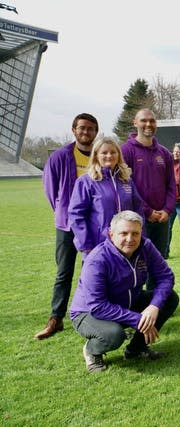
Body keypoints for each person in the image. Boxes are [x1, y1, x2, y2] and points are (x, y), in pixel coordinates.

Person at [69, 211, 179, 373]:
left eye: (135, 233)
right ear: (111, 234)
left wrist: (153, 307)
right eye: (124, 233)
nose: (130, 239)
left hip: (127, 302)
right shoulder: (97, 259)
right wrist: (140, 320)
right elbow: (98, 306)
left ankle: (136, 349)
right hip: (88, 312)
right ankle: (92, 350)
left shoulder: (146, 246)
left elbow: (165, 277)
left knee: (169, 298)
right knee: (114, 335)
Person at [36, 113, 99, 340]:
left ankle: (93, 313)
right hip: (67, 226)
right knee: (64, 272)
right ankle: (56, 318)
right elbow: (51, 190)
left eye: (91, 129)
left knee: (92, 271)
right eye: (82, 128)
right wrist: (65, 212)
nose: (86, 132)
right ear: (74, 130)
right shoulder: (61, 156)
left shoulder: (99, 155)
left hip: (94, 226)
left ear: (95, 133)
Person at [68, 136, 144, 256]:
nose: (109, 156)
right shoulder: (86, 181)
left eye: (113, 152)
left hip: (126, 246)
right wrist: (87, 245)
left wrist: (139, 237)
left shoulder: (126, 180)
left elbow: (138, 210)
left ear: (118, 155)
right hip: (98, 246)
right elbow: (76, 215)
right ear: (96, 155)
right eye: (104, 152)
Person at [121, 108, 175, 266]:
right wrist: (147, 211)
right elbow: (125, 186)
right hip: (137, 218)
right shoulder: (126, 150)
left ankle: (155, 292)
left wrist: (167, 210)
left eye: (152, 121)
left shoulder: (164, 153)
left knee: (158, 264)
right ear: (135, 122)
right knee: (137, 263)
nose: (148, 124)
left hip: (162, 219)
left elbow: (171, 184)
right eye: (144, 120)